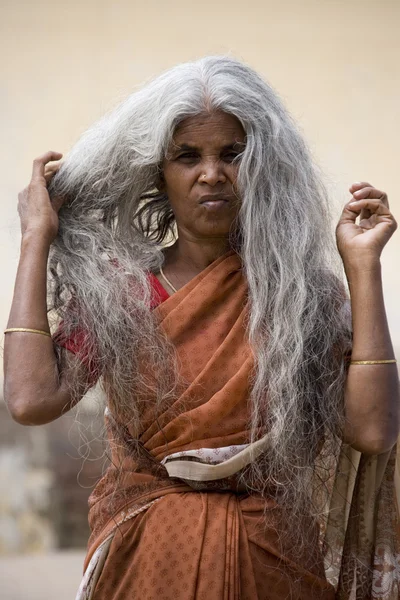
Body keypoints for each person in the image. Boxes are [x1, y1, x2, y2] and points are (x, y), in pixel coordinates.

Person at [3, 56, 400, 599]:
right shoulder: (123, 291)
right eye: (187, 156)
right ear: (158, 174)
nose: (211, 173)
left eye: (232, 154)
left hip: (272, 562)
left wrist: (362, 268)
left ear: (262, 165)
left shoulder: (301, 295)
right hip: (146, 559)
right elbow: (30, 399)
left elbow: (373, 431)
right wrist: (35, 238)